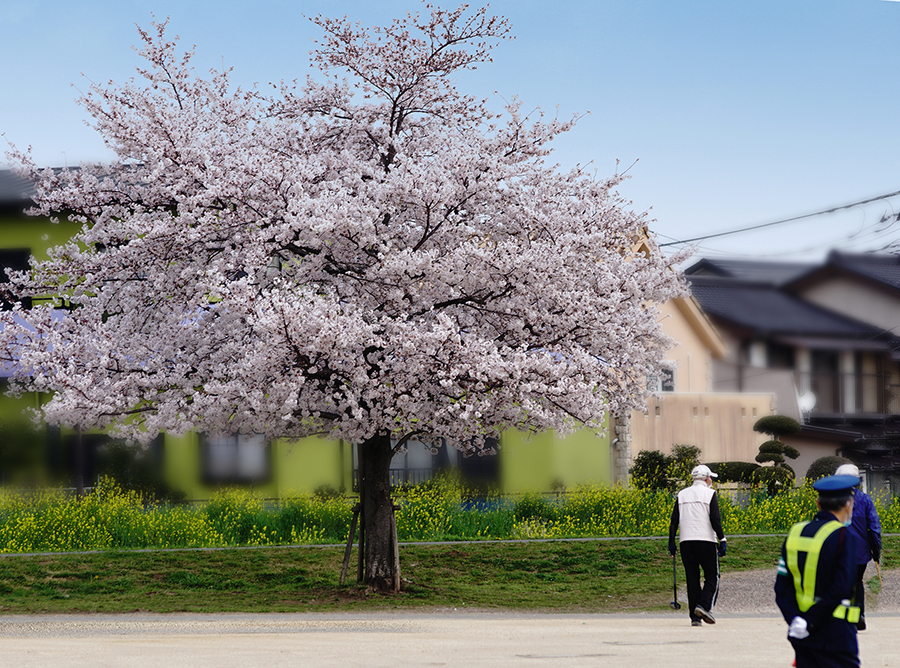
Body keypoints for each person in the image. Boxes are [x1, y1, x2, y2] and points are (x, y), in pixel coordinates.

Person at [774, 474, 861, 668]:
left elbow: (781, 587)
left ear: (818, 503)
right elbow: (842, 588)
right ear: (849, 504)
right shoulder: (845, 536)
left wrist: (796, 620)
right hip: (836, 632)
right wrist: (809, 621)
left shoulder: (795, 532)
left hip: (800, 633)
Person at [668, 464, 727, 627]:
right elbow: (715, 519)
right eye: (711, 478)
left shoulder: (682, 494)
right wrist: (722, 539)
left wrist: (671, 542)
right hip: (706, 540)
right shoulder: (710, 493)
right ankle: (704, 606)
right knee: (712, 575)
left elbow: (674, 521)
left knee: (692, 578)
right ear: (706, 478)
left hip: (686, 542)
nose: (712, 481)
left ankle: (695, 617)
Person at [834, 463, 882, 631]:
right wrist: (877, 550)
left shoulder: (834, 499)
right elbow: (875, 527)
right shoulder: (865, 499)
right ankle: (859, 615)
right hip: (861, 551)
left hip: (838, 549)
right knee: (857, 582)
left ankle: (844, 618)